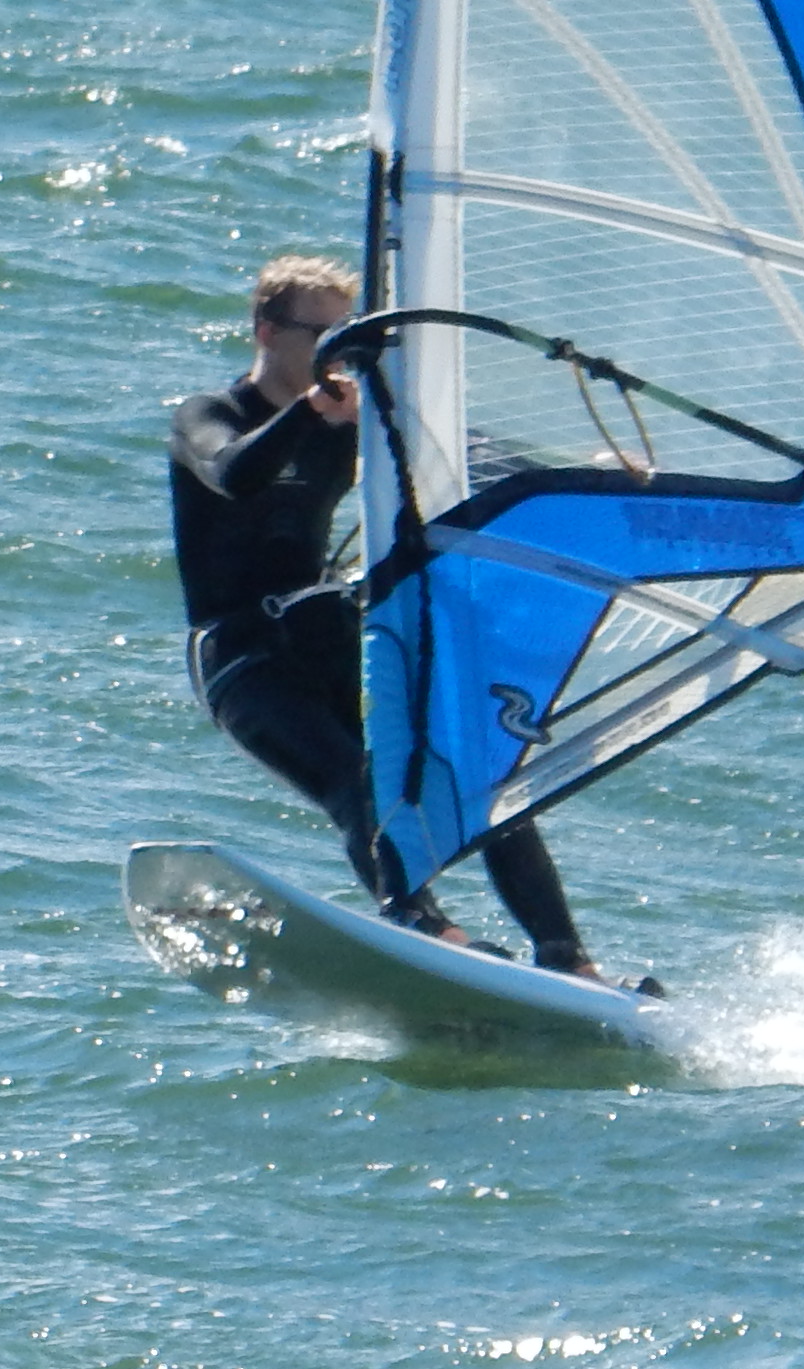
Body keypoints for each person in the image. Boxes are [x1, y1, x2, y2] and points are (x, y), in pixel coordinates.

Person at [170, 253, 606, 977]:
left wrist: (577, 478)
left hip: (324, 636)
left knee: (474, 771)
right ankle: (423, 925)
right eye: (324, 338)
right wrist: (312, 412)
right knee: (358, 781)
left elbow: (461, 459)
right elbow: (235, 473)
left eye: (349, 339)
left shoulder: (351, 423)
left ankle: (569, 959)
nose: (340, 357)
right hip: (244, 661)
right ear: (267, 331)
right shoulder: (210, 416)